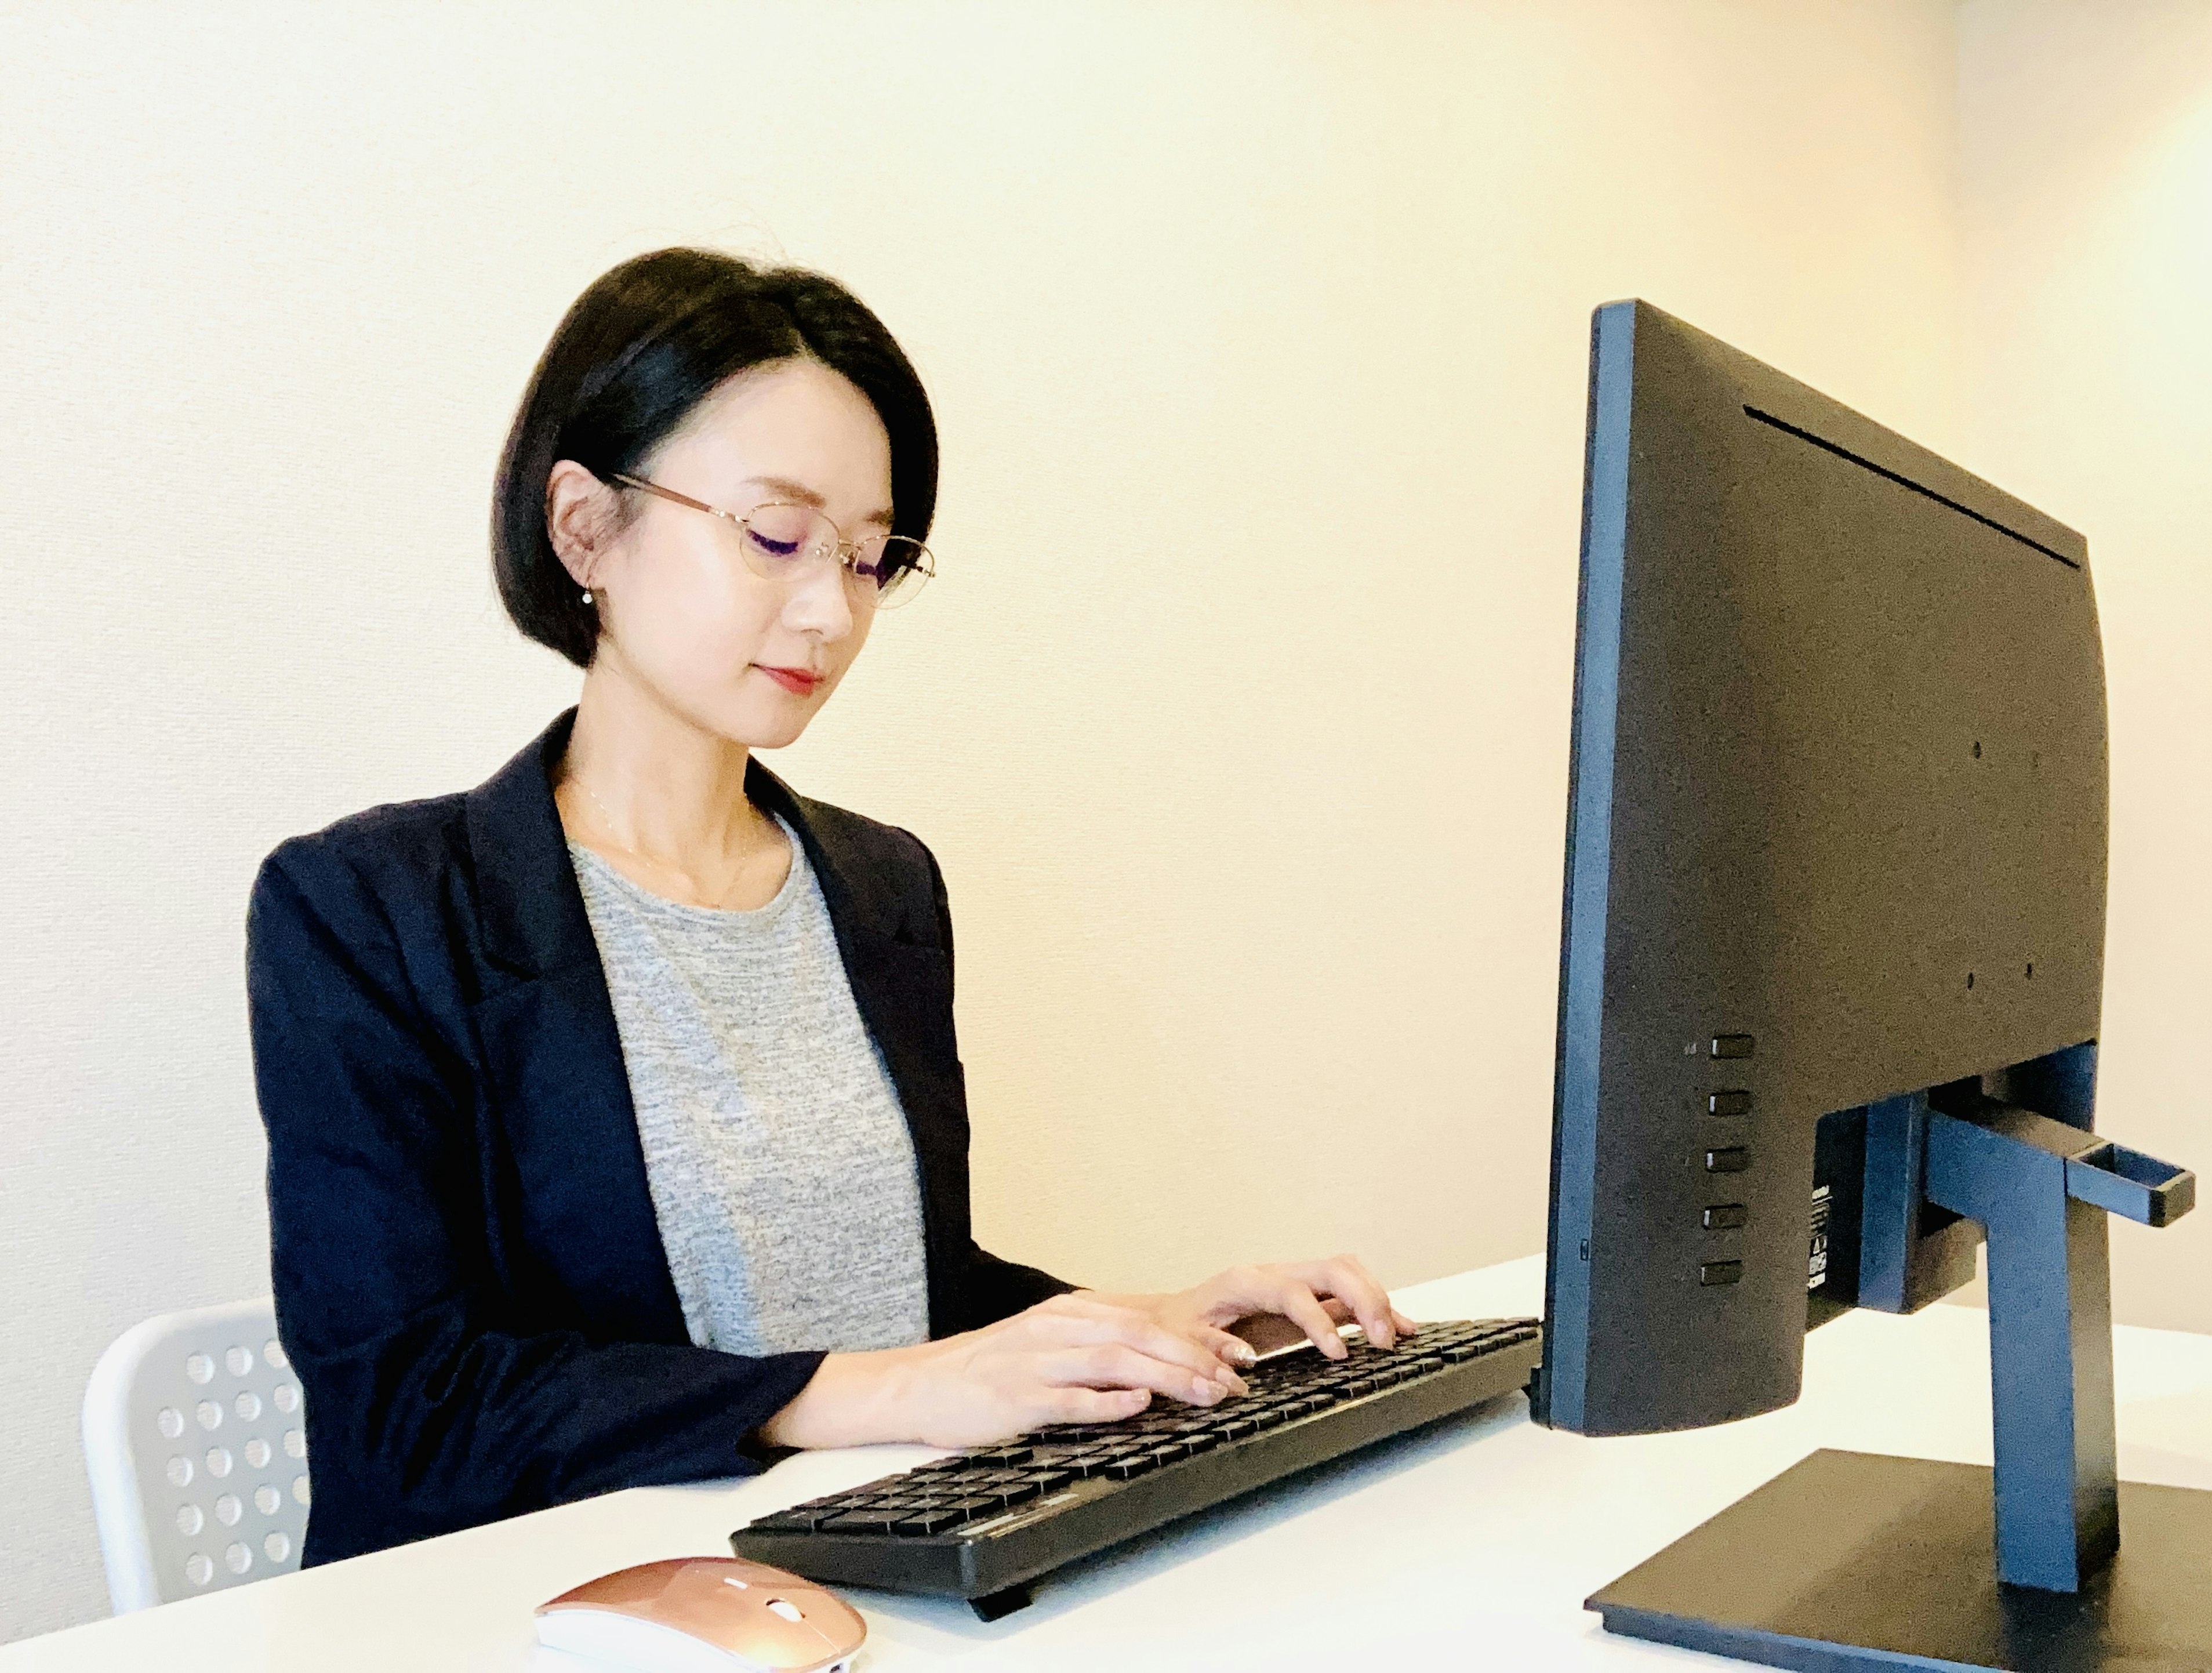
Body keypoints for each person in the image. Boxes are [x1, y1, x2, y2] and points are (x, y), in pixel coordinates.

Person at [246, 248, 1413, 1566]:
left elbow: (908, 1291)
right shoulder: (368, 909)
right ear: (586, 528)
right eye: (778, 535)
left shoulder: (882, 887)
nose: (831, 612)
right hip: (549, 1608)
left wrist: (1156, 1325)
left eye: (869, 559)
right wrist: (900, 1390)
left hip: (846, 1579)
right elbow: (408, 1409)